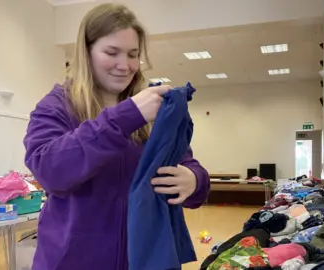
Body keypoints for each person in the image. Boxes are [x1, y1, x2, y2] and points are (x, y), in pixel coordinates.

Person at [23, 3, 210, 270]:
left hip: (146, 260)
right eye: (112, 52)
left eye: (133, 55)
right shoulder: (57, 106)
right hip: (72, 262)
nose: (125, 66)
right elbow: (50, 171)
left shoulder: (156, 109)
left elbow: (188, 166)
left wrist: (194, 180)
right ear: (86, 51)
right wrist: (125, 116)